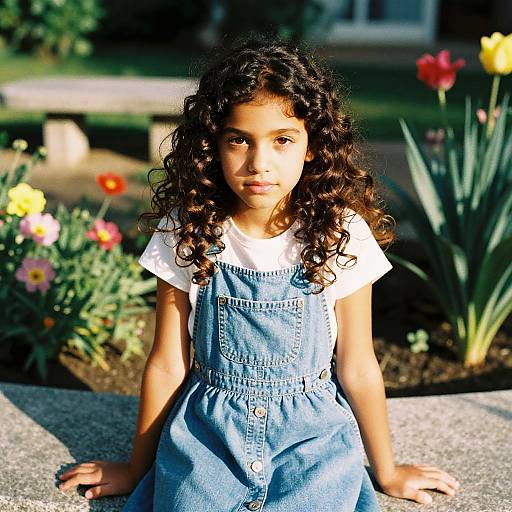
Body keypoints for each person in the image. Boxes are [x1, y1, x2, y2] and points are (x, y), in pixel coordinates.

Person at [58, 36, 461, 510]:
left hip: (312, 446)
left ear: (313, 145)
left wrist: (387, 471)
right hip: (209, 440)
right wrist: (135, 468)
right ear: (213, 143)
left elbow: (357, 365)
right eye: (239, 140)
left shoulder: (338, 233)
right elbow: (168, 362)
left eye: (282, 140)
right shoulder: (186, 229)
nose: (258, 164)